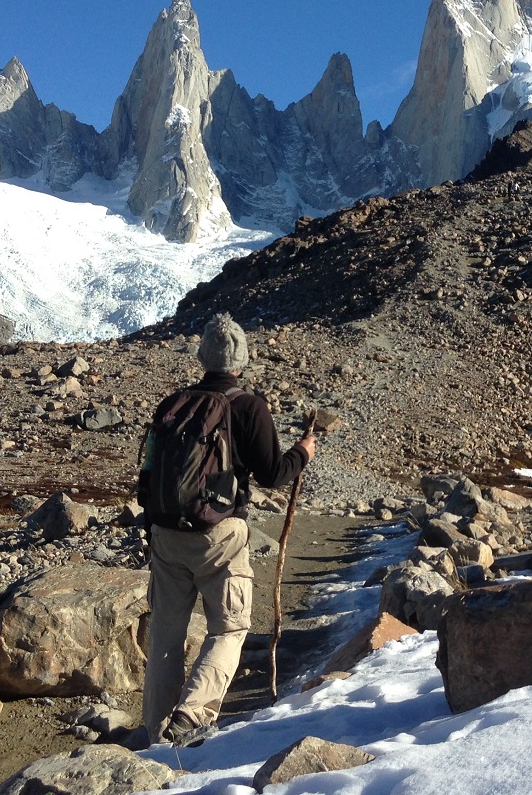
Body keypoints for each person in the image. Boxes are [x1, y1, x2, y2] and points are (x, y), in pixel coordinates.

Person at [142, 313, 314, 745]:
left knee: (166, 630)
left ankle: (154, 733)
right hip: (219, 536)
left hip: (165, 533)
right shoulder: (248, 406)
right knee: (229, 628)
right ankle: (190, 717)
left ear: (202, 355)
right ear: (242, 359)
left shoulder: (173, 404)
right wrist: (304, 452)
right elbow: (273, 473)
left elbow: (147, 469)